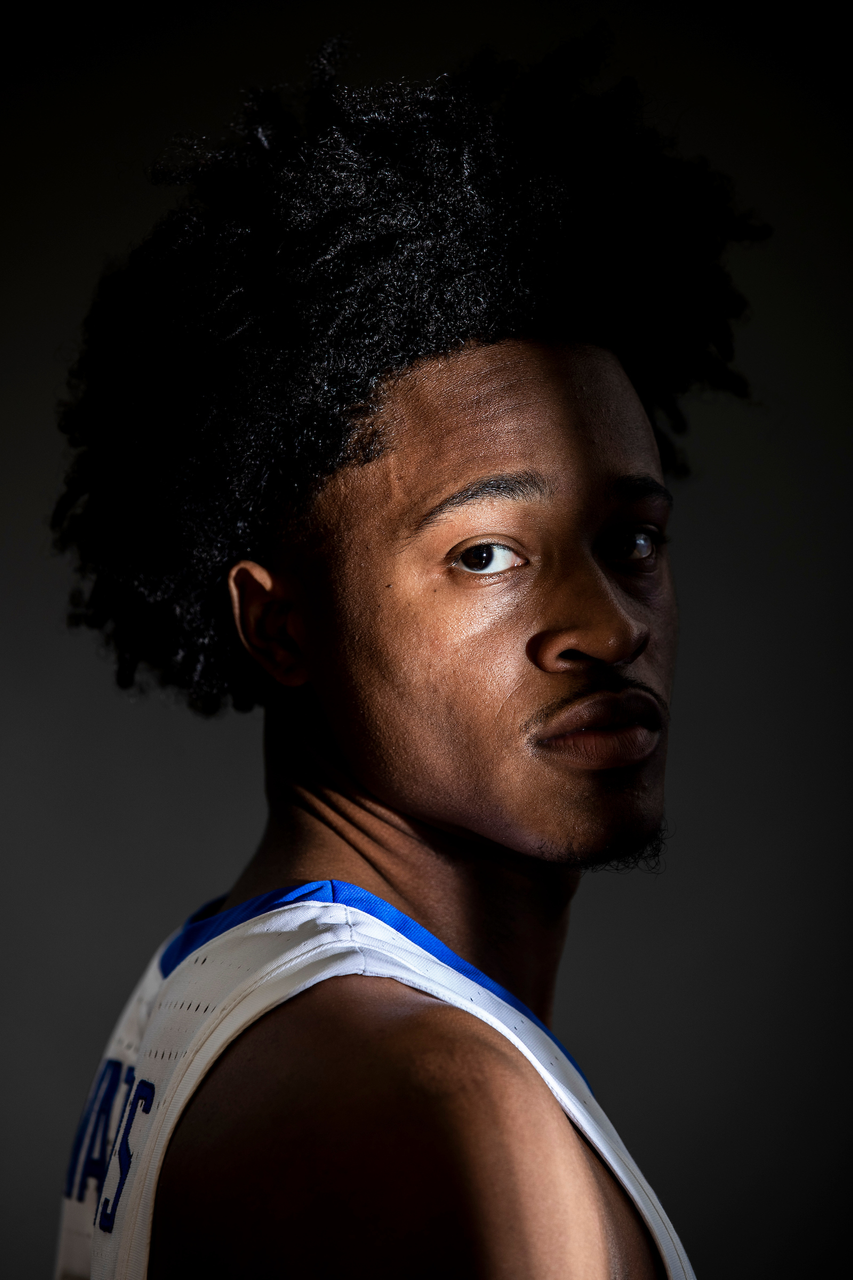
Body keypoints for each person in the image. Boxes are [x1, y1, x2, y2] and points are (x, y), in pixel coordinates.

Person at [52, 40, 764, 1280]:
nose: (605, 624)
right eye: (484, 554)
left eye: (630, 539)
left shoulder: (211, 981)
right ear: (281, 625)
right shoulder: (449, 1106)